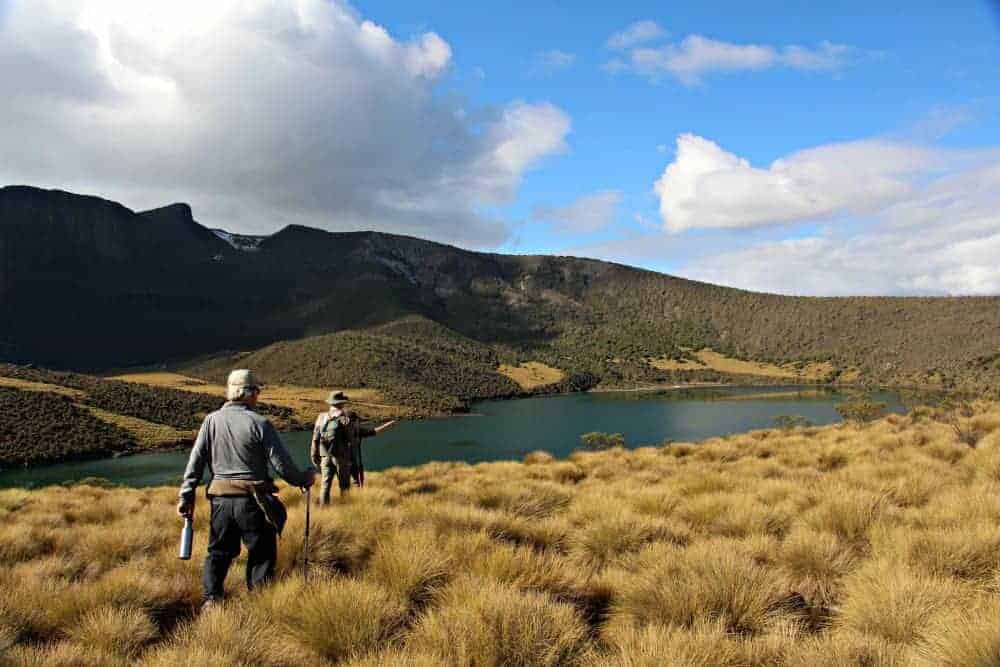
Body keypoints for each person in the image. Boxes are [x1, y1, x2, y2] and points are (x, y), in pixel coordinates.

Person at [177, 369, 316, 605]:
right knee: (261, 553)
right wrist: (304, 479)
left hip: (220, 501)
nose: (258, 396)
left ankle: (212, 601)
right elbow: (281, 465)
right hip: (253, 502)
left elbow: (195, 463)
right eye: (257, 391)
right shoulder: (260, 423)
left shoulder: (210, 421)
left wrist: (186, 495)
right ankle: (259, 602)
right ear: (249, 393)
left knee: (218, 552)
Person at [311, 391, 395, 504]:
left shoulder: (321, 417)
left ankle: (323, 509)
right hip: (341, 456)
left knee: (325, 484)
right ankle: (345, 509)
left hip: (325, 455)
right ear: (342, 403)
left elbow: (315, 438)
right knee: (344, 485)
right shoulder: (344, 417)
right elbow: (351, 440)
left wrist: (314, 455)